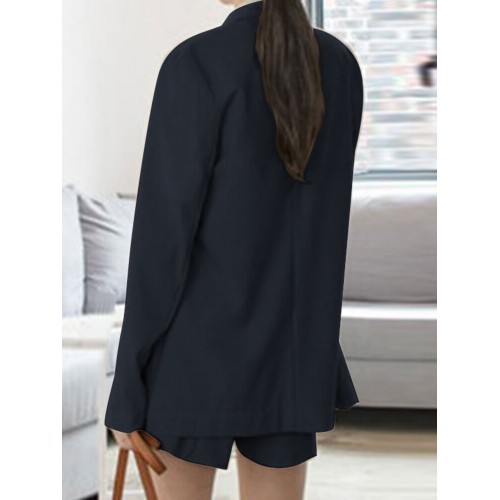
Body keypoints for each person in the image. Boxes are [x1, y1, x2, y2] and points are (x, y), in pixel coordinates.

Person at [105, 0, 364, 498]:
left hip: (193, 354)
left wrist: (129, 381)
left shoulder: (196, 63)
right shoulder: (339, 66)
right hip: (292, 352)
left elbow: (162, 240)